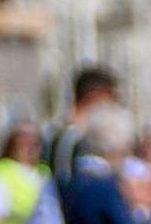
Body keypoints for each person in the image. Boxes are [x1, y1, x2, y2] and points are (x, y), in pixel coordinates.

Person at [48, 63, 121, 196]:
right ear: (94, 96)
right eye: (110, 98)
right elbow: (63, 184)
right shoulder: (71, 137)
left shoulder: (93, 136)